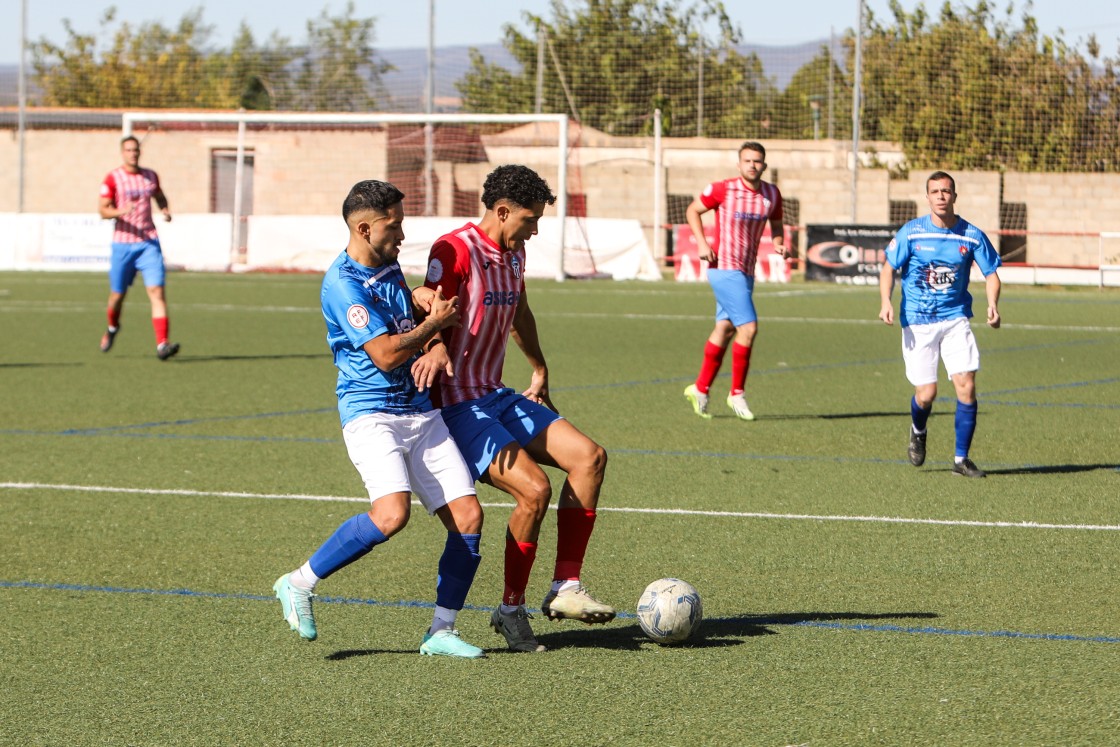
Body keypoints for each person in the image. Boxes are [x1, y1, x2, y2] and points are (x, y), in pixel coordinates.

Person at [273, 179, 488, 658]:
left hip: (419, 410)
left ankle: (441, 631)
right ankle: (299, 582)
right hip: (371, 413)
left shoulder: (386, 264)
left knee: (469, 516)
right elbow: (387, 354)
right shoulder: (341, 284)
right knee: (392, 515)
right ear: (365, 228)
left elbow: (404, 323)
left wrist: (421, 311)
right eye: (395, 226)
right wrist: (437, 325)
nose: (403, 236)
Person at [417, 164, 614, 654]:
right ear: (501, 211)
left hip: (497, 392)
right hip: (457, 403)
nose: (535, 229)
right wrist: (435, 346)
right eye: (529, 219)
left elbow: (519, 311)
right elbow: (428, 306)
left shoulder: (515, 250)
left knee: (589, 458)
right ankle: (510, 610)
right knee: (534, 490)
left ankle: (565, 587)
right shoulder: (454, 249)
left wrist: (539, 368)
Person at [878, 171, 1002, 478]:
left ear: (955, 196)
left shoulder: (971, 234)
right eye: (935, 191)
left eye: (946, 191)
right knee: (927, 394)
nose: (941, 196)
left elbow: (991, 274)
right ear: (928, 197)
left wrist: (993, 305)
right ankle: (918, 428)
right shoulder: (912, 233)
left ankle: (961, 459)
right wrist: (885, 302)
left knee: (967, 385)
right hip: (918, 322)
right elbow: (888, 268)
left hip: (955, 318)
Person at [683, 140, 788, 421]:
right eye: (748, 161)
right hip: (723, 268)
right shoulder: (723, 189)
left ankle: (700, 389)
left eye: (758, 161)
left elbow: (777, 226)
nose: (753, 165)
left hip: (746, 271)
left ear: (764, 165)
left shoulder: (771, 194)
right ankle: (736, 393)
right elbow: (692, 210)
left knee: (725, 328)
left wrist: (779, 243)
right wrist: (702, 245)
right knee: (749, 328)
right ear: (739, 163)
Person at [98, 135, 180, 360]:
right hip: (123, 245)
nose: (132, 153)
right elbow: (103, 210)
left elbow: (160, 196)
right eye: (128, 150)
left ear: (139, 152)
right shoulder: (113, 178)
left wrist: (164, 210)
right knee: (117, 296)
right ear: (122, 153)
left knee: (157, 292)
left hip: (148, 243)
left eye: (135, 150)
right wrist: (120, 211)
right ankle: (113, 327)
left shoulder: (150, 176)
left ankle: (163, 344)